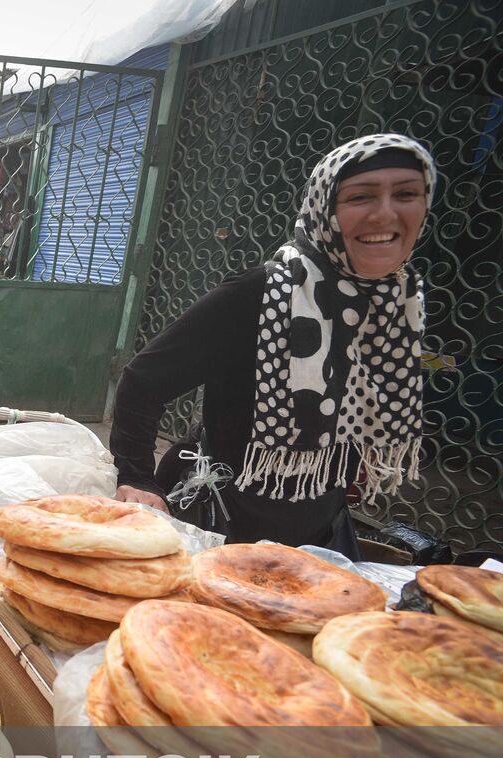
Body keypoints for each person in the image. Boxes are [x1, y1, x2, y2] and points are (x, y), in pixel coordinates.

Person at [110, 133, 435, 558]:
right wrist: (136, 477)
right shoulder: (263, 293)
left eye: (407, 194)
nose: (385, 213)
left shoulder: (396, 305)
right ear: (325, 209)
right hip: (217, 525)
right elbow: (143, 380)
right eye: (360, 197)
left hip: (320, 533)